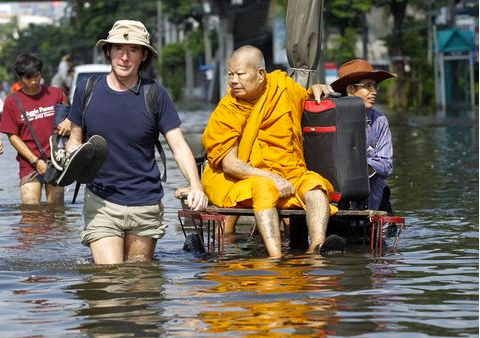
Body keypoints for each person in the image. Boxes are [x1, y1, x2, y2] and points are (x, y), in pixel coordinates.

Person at [66, 20, 208, 265]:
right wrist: (73, 156)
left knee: (139, 281)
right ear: (108, 51)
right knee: (110, 278)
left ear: (143, 56)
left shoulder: (155, 95)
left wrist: (196, 185)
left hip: (145, 203)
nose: (124, 57)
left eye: (133, 50)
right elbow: (74, 140)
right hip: (101, 202)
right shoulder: (86, 90)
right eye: (119, 48)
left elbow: (179, 146)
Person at [201, 45, 344, 258]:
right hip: (246, 179)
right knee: (264, 188)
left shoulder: (283, 88)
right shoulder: (227, 109)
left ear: (260, 74)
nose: (232, 80)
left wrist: (317, 88)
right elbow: (229, 164)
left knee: (316, 187)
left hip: (291, 175)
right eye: (230, 74)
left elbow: (303, 97)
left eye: (240, 74)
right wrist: (273, 178)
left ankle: (316, 249)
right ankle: (275, 257)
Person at [0, 53, 69, 204]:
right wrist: (35, 161)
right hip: (29, 163)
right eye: (28, 78)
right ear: (20, 77)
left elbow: (69, 121)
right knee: (31, 212)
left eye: (36, 76)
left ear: (41, 73)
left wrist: (69, 122)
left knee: (57, 210)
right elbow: (12, 136)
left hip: (56, 161)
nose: (33, 81)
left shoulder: (56, 94)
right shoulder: (12, 101)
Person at [330, 59, 396, 214]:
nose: (374, 91)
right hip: (337, 198)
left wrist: (357, 165)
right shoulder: (331, 118)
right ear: (351, 90)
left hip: (373, 198)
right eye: (367, 86)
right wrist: (366, 165)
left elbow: (387, 165)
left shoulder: (379, 121)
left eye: (375, 86)